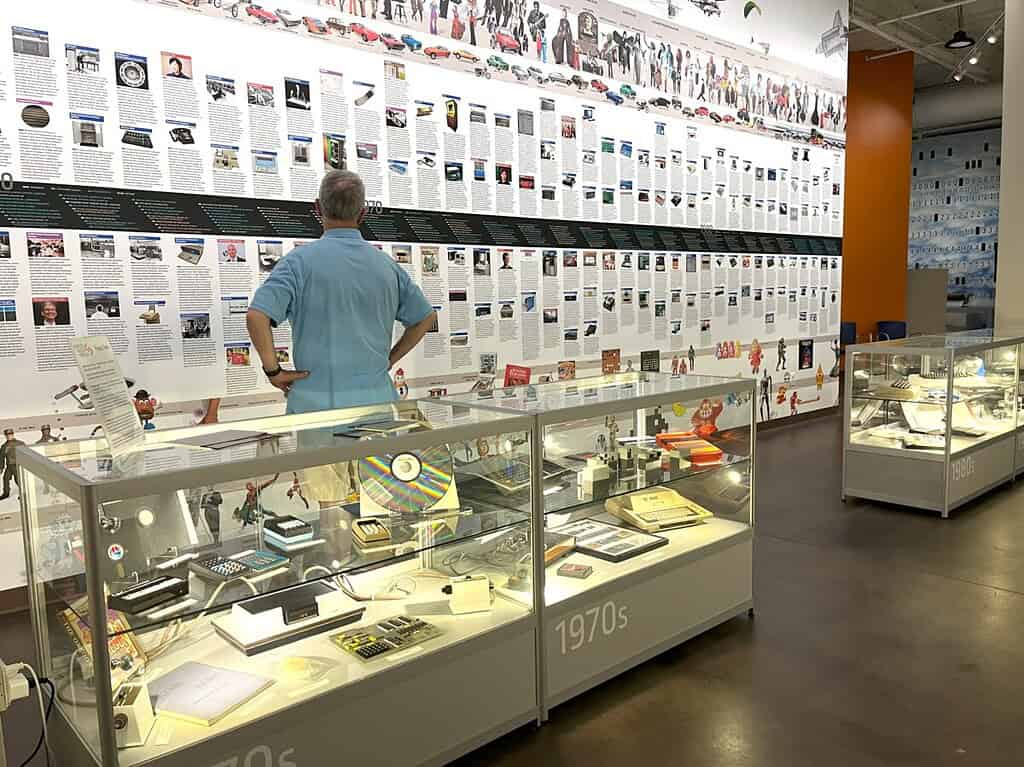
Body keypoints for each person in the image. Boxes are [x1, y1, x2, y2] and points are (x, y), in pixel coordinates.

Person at [248, 170, 435, 415]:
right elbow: (425, 317)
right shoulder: (387, 266)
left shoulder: (297, 263)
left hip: (316, 406)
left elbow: (256, 316)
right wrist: (389, 361)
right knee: (379, 443)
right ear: (363, 213)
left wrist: (274, 371)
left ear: (318, 208)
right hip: (377, 401)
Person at [0, 428, 24, 501]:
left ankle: (23, 493)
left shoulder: (20, 443)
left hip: (17, 465)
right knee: (5, 478)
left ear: (13, 435)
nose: (9, 436)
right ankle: (6, 493)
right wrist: (1, 467)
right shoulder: (4, 446)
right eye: (7, 435)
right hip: (9, 466)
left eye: (10, 434)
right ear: (5, 436)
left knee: (18, 480)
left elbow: (26, 454)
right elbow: (1, 457)